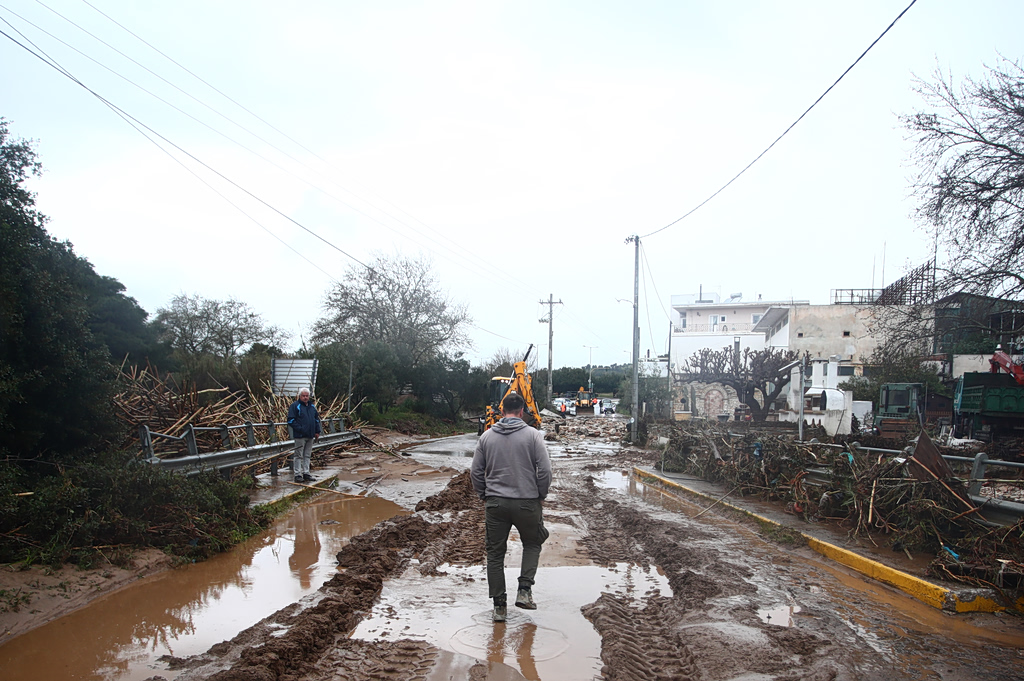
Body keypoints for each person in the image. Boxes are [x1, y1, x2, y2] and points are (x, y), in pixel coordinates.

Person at [471, 392, 552, 623]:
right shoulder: (533, 435)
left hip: (496, 503)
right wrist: (541, 495)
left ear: (501, 410)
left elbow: (475, 472)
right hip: (527, 502)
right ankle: (524, 591)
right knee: (533, 543)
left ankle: (499, 608)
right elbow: (545, 470)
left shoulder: (486, 437)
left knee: (495, 554)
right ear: (522, 412)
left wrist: (484, 494)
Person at [287, 387, 321, 483]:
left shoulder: (312, 407)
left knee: (307, 455)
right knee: (298, 455)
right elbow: (291, 420)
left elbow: (316, 419)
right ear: (300, 396)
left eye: (307, 396)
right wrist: (301, 429)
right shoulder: (295, 406)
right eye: (303, 396)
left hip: (310, 435)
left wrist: (317, 431)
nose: (305, 397)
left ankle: (306, 473)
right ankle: (297, 474)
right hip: (300, 436)